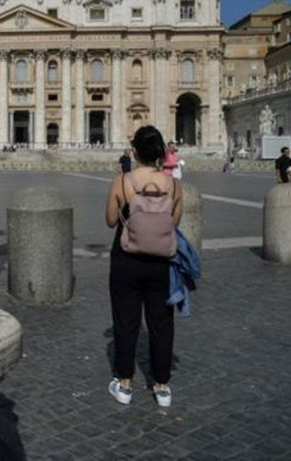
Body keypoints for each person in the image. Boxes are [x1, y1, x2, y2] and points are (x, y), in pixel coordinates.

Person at [105, 126, 184, 408]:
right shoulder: (174, 185)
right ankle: (162, 387)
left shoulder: (122, 181)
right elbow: (174, 222)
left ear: (135, 152)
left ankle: (125, 384)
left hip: (126, 259)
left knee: (126, 322)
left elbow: (110, 221)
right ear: (161, 152)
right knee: (161, 323)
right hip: (161, 261)